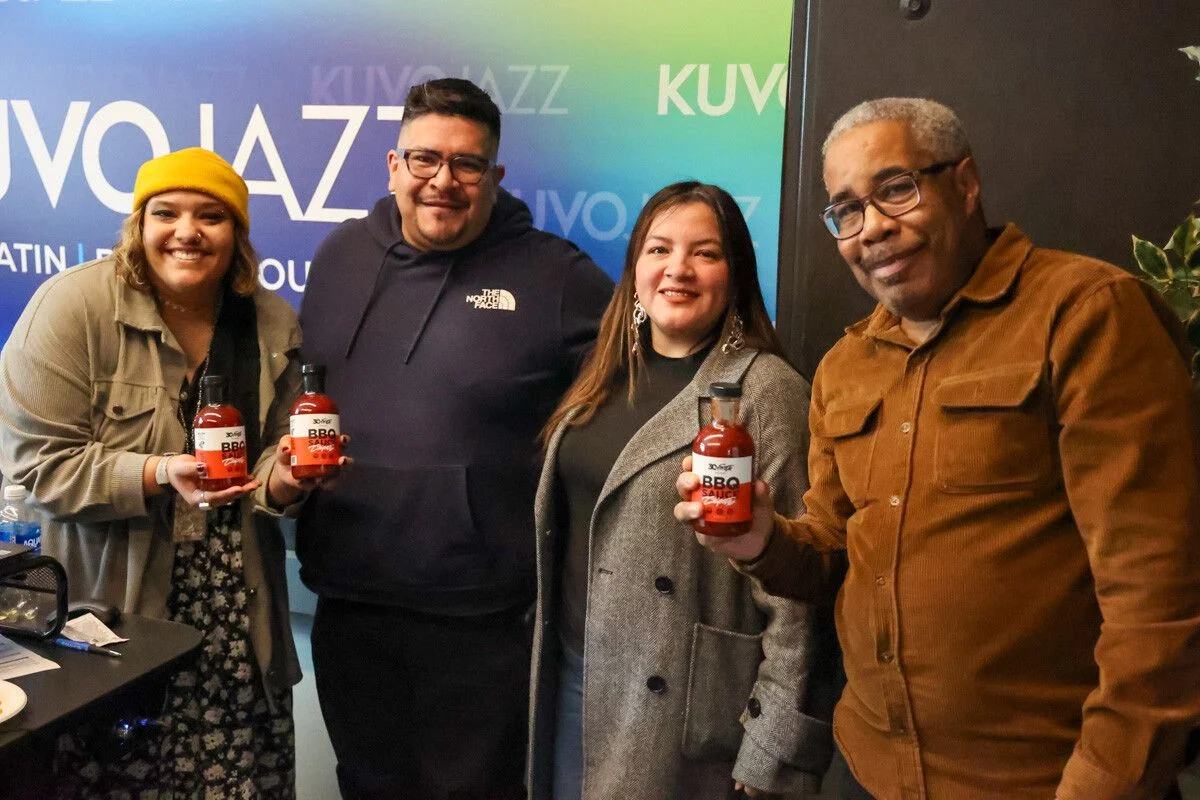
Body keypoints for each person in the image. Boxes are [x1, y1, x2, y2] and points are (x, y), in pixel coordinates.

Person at [675, 98, 1200, 800]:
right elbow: (835, 552)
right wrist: (761, 541)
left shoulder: (1088, 314)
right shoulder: (845, 365)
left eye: (896, 188)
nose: (874, 229)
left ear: (966, 182)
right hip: (865, 774)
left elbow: (1158, 605)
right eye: (847, 210)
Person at [295, 77, 613, 800]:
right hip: (349, 602)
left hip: (479, 618)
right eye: (424, 160)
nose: (443, 180)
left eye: (467, 165)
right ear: (392, 166)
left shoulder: (554, 275)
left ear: (495, 177)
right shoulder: (341, 255)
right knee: (366, 787)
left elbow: (651, 361)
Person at [0, 147, 321, 797]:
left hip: (236, 616)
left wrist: (285, 480)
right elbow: (38, 465)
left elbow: (270, 460)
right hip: (114, 621)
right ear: (137, 224)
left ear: (237, 233)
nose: (187, 231)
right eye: (166, 212)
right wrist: (157, 472)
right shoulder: (74, 309)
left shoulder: (269, 321)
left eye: (212, 216)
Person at [527, 181, 838, 800]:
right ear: (635, 269)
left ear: (735, 275)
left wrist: (775, 745)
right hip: (574, 677)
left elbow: (800, 594)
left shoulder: (765, 390)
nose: (678, 269)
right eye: (659, 249)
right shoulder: (604, 371)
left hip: (683, 706)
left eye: (705, 253)